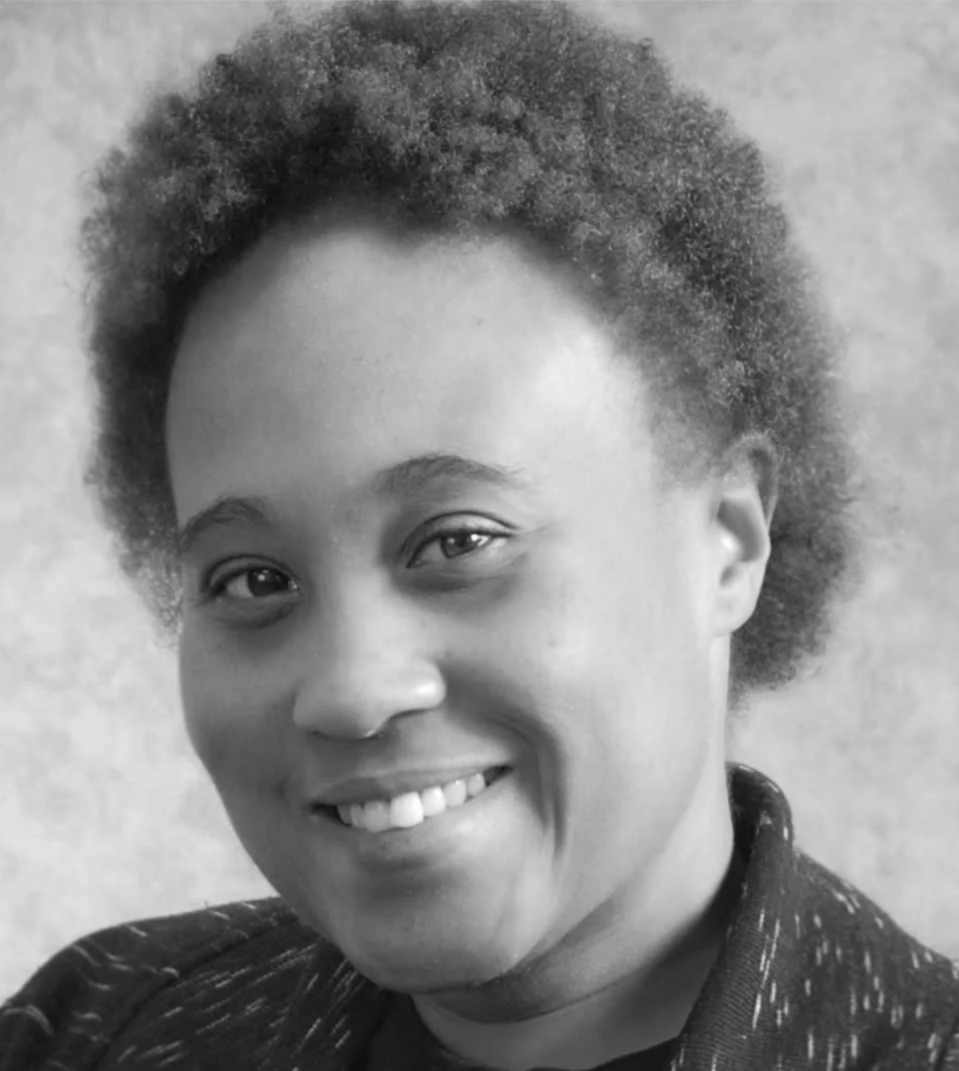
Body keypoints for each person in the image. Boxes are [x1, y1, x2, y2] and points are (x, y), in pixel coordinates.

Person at [2, 1, 957, 1068]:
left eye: (456, 543)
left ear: (727, 541)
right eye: (252, 576)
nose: (351, 690)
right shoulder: (88, 1032)